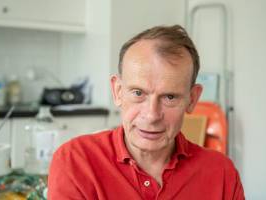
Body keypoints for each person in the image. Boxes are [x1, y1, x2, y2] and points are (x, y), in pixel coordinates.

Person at [48, 25, 245, 200]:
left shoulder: (221, 173)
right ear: (118, 92)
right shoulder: (75, 161)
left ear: (192, 99)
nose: (151, 115)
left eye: (169, 97)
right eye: (138, 93)